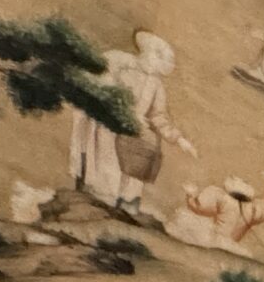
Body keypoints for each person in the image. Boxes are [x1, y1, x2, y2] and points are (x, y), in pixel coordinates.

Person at [72, 31, 195, 220]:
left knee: (133, 171)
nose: (166, 66)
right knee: (106, 169)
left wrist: (179, 139)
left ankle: (123, 210)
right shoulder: (119, 63)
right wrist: (127, 113)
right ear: (149, 54)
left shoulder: (155, 84)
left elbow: (158, 116)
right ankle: (98, 206)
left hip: (133, 136)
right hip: (108, 127)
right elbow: (103, 88)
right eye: (163, 59)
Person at [165, 172, 264, 252]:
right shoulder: (254, 208)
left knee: (183, 216)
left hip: (215, 241)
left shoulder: (224, 198)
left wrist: (191, 195)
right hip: (232, 247)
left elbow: (198, 208)